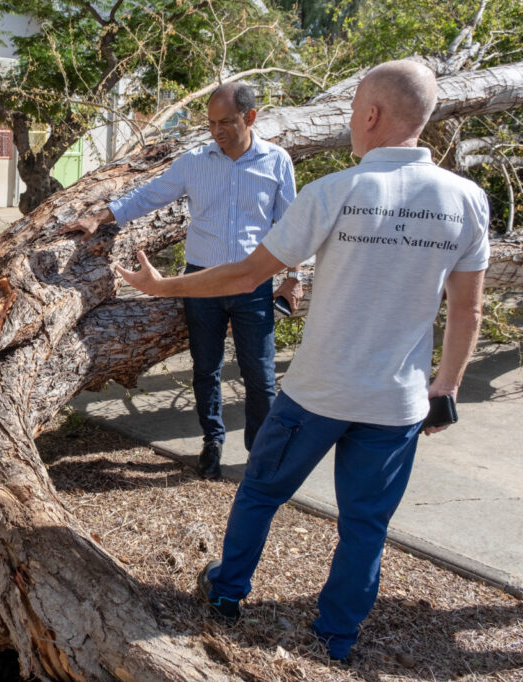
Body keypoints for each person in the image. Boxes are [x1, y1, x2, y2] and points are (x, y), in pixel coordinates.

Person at [114, 59, 489, 661]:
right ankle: (336, 638)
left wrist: (162, 289)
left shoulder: (335, 192)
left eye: (352, 110)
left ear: (370, 115)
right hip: (395, 404)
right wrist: (444, 388)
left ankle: (227, 593)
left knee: (260, 493)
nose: (349, 121)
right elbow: (467, 312)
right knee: (365, 526)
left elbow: (245, 274)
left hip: (316, 394)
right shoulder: (468, 200)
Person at [62, 82, 302, 480]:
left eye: (226, 122)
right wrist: (100, 217)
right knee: (205, 369)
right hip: (200, 283)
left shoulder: (276, 161)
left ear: (251, 117)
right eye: (211, 123)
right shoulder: (193, 162)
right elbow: (148, 196)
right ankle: (212, 442)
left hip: (251, 283)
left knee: (259, 376)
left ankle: (260, 456)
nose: (217, 130)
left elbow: (293, 225)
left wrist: (293, 277)